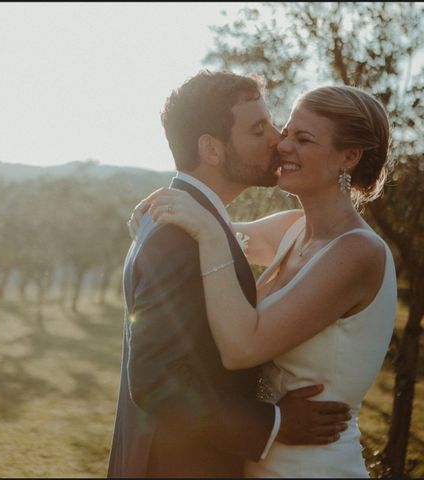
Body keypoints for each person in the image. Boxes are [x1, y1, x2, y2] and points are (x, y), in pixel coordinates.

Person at [137, 84, 397, 477]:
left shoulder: (359, 253)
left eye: (303, 138)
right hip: (259, 457)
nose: (282, 145)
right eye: (286, 131)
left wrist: (205, 229)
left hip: (312, 464)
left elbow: (241, 348)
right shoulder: (292, 230)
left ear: (349, 156)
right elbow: (197, 231)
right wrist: (161, 213)